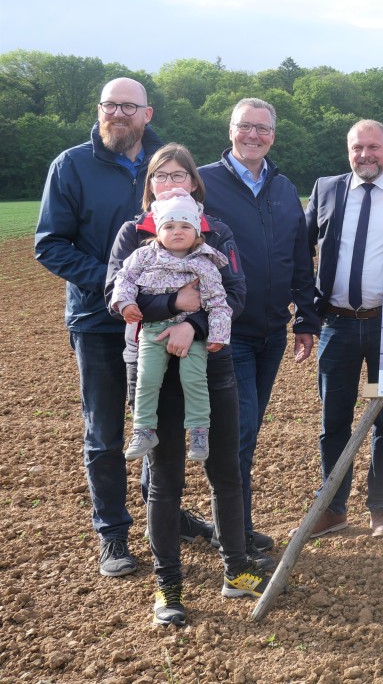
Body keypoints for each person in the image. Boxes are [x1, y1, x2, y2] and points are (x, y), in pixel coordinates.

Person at [105, 143, 268, 626]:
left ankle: (235, 571)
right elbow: (114, 295)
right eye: (161, 176)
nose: (171, 182)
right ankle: (167, 587)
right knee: (165, 480)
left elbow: (235, 294)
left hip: (211, 363)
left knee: (225, 470)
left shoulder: (217, 233)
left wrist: (193, 326)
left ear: (194, 184)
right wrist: (175, 306)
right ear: (150, 186)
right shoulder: (131, 236)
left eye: (180, 175)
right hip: (151, 366)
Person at [34, 77, 165, 577]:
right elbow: (50, 244)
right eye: (110, 105)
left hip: (160, 319)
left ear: (146, 115)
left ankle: (163, 517)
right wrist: (116, 286)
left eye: (128, 107)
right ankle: (112, 533)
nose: (117, 114)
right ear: (99, 109)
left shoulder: (166, 163)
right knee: (105, 431)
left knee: (156, 424)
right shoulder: (71, 165)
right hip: (97, 320)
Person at [199, 98, 319, 565]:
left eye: (262, 128)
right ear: (230, 131)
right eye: (245, 126)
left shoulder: (284, 187)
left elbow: (297, 255)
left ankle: (235, 524)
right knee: (238, 432)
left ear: (273, 134)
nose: (254, 135)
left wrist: (305, 318)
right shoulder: (203, 183)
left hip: (271, 331)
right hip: (226, 333)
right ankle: (233, 536)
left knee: (244, 433)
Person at [302, 120, 383, 539]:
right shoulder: (326, 188)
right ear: (348, 150)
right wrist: (304, 312)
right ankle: (333, 507)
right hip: (336, 324)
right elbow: (301, 250)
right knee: (332, 422)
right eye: (357, 148)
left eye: (373, 147)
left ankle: (381, 509)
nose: (365, 155)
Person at [112, 192, 232, 462]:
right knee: (147, 380)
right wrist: (124, 303)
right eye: (169, 226)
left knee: (194, 380)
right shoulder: (142, 257)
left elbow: (218, 302)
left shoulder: (205, 264)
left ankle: (200, 431)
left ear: (197, 231)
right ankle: (143, 429)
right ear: (158, 230)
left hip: (192, 337)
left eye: (185, 226)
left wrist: (218, 334)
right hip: (153, 330)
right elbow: (124, 279)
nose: (177, 232)